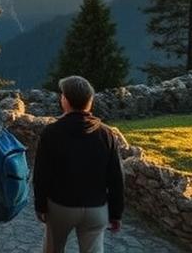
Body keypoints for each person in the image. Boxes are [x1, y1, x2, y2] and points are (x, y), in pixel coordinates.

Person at [34, 75, 124, 253]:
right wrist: (116, 213)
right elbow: (116, 177)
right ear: (89, 101)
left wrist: (40, 206)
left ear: (66, 101)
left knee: (53, 249)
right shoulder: (106, 134)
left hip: (61, 206)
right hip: (96, 207)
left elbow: (41, 174)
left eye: (62, 95)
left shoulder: (51, 132)